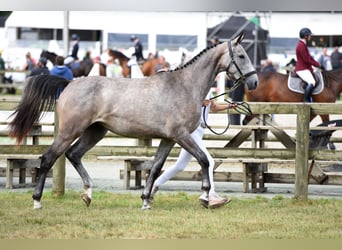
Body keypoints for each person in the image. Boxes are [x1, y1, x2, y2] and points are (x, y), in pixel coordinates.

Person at [150, 91, 237, 209]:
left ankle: (154, 185)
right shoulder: (197, 88)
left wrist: (229, 106)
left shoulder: (208, 90)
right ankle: (210, 195)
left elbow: (213, 107)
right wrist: (200, 103)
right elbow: (183, 106)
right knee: (209, 162)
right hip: (192, 130)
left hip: (200, 131)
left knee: (180, 166)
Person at [295, 27, 321, 103]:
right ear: (305, 36)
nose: (310, 36)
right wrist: (317, 64)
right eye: (309, 35)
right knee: (312, 82)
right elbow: (306, 59)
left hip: (305, 67)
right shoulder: (301, 45)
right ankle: (306, 100)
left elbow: (309, 57)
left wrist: (317, 63)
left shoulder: (303, 44)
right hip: (302, 68)